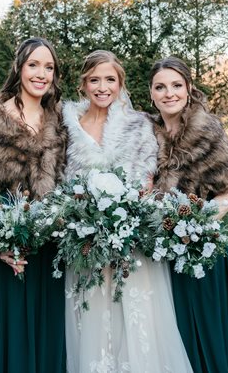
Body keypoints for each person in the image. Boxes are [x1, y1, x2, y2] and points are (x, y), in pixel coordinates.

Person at [62, 50, 193, 373]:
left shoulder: (139, 125)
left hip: (131, 245)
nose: (102, 87)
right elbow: (61, 184)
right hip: (86, 246)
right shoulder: (67, 127)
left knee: (138, 326)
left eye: (110, 79)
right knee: (92, 326)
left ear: (121, 84)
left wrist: (123, 217)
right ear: (83, 84)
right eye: (95, 80)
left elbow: (146, 182)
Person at [149, 56, 228, 373]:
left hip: (198, 246)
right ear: (151, 94)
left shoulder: (206, 130)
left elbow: (227, 192)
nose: (169, 93)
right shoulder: (145, 131)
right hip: (155, 249)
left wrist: (198, 225)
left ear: (188, 89)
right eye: (160, 87)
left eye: (176, 85)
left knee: (204, 327)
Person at [0, 37, 67, 373]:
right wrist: (0, 239)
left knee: (47, 327)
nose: (42, 74)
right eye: (34, 65)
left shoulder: (57, 117)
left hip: (49, 242)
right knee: (11, 330)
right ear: (19, 68)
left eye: (49, 67)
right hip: (9, 243)